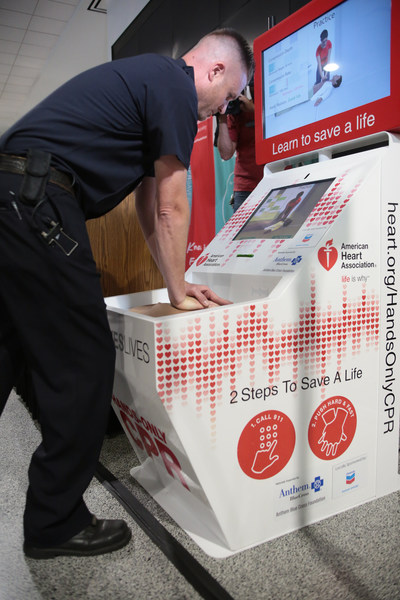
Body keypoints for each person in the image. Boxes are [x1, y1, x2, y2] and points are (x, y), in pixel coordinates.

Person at [0, 28, 253, 559]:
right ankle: (55, 524)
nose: (218, 112)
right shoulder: (176, 88)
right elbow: (170, 204)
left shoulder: (148, 83)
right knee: (83, 359)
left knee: (10, 346)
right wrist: (180, 290)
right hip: (36, 196)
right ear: (214, 71)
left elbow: (146, 206)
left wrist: (172, 283)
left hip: (13, 196)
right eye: (228, 96)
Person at [216, 79, 264, 212]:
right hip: (245, 187)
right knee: (244, 233)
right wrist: (222, 117)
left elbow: (279, 131)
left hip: (276, 179)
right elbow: (226, 154)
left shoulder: (275, 105)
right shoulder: (237, 113)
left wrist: (254, 110)